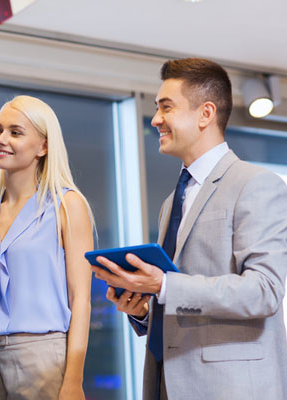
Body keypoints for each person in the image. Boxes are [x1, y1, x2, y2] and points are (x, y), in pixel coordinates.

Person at [92, 58, 287, 399]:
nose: (155, 120)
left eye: (166, 107)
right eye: (156, 109)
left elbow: (265, 290)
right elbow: (180, 301)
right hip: (167, 383)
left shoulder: (256, 184)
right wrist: (141, 309)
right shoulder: (172, 202)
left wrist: (165, 285)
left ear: (205, 114)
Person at [0, 95, 94, 399]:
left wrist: (73, 380)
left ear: (44, 146)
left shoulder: (66, 206)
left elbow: (81, 300)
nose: (1, 139)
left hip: (43, 357)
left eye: (16, 132)